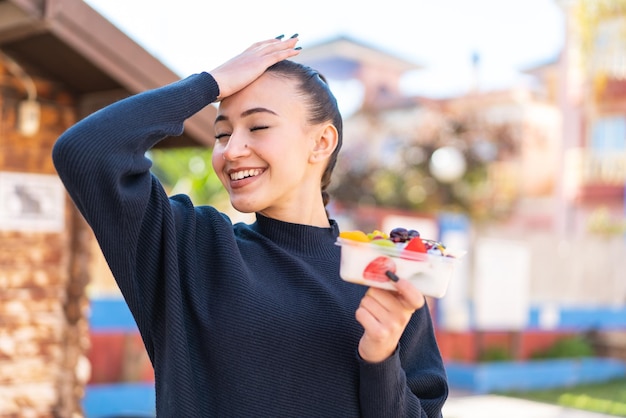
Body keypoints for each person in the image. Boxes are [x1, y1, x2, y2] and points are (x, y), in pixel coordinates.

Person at [52, 35, 448, 417]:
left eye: (257, 127)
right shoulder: (190, 247)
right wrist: (212, 82)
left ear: (322, 142)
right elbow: (86, 150)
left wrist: (380, 359)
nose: (232, 150)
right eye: (222, 133)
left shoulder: (382, 274)